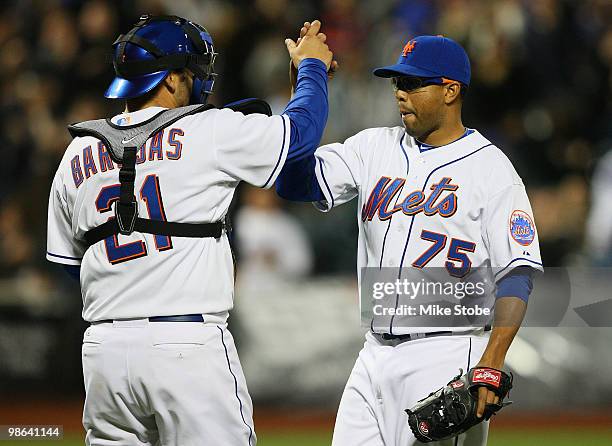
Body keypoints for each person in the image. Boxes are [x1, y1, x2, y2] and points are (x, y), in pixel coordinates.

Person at [46, 14, 332, 445]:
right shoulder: (208, 129)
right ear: (172, 79)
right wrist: (311, 67)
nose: (199, 81)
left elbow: (71, 266)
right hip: (186, 345)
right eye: (193, 72)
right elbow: (301, 137)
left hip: (103, 353)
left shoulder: (77, 152)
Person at [276, 30, 543, 445]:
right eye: (398, 82)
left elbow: (517, 274)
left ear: (451, 90)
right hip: (374, 352)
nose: (400, 93)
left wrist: (491, 362)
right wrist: (307, 81)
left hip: (449, 353)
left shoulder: (493, 170)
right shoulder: (372, 147)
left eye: (414, 83)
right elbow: (293, 180)